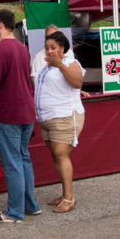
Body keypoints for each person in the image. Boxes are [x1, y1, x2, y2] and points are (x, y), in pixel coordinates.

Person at [0, 9, 40, 223]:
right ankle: (29, 205)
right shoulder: (22, 48)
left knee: (13, 162)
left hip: (7, 114)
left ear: (0, 25)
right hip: (26, 111)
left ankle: (14, 212)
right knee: (23, 158)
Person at [33, 31, 85, 213]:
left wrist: (60, 64)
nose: (49, 51)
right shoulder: (46, 67)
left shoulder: (71, 63)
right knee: (56, 155)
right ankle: (65, 194)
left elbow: (77, 83)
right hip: (46, 118)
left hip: (64, 115)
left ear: (62, 48)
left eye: (53, 48)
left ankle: (69, 198)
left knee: (61, 154)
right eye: (47, 48)